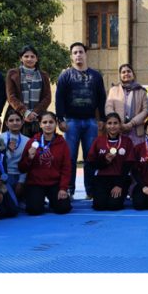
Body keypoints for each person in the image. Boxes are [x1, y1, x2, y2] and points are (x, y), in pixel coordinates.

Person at [55, 42, 106, 199]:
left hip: (91, 122)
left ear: (85, 54)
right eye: (75, 52)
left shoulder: (96, 76)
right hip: (71, 122)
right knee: (70, 157)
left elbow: (101, 99)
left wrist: (102, 119)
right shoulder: (65, 75)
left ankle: (90, 191)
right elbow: (59, 99)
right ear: (72, 56)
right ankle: (69, 190)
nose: (78, 55)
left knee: (90, 157)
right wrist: (60, 119)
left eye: (81, 52)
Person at [18, 112, 72, 216]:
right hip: (36, 183)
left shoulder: (62, 143)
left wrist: (63, 188)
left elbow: (66, 168)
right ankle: (38, 199)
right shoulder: (32, 142)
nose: (48, 125)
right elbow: (22, 168)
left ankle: (53, 201)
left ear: (56, 124)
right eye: (45, 122)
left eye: (51, 122)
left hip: (54, 183)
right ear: (40, 125)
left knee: (63, 208)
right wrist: (29, 158)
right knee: (34, 211)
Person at [86, 113, 135, 211]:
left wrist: (119, 185)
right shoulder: (98, 141)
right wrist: (105, 161)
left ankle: (119, 196)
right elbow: (91, 163)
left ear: (120, 125)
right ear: (105, 125)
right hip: (102, 178)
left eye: (115, 123)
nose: (112, 126)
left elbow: (128, 165)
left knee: (114, 206)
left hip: (119, 178)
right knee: (99, 206)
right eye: (109, 123)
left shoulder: (127, 141)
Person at [5, 45, 52, 137]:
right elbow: (11, 97)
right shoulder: (12, 73)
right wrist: (25, 112)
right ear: (21, 58)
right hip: (16, 116)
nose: (29, 59)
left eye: (32, 56)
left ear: (36, 59)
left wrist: (34, 113)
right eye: (26, 56)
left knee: (36, 147)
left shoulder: (43, 75)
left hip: (37, 118)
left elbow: (47, 97)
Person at [105, 64, 148, 146]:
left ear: (133, 74)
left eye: (129, 71)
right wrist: (117, 123)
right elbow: (108, 107)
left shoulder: (141, 91)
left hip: (136, 130)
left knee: (136, 156)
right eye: (123, 72)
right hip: (118, 129)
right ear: (120, 75)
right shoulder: (114, 90)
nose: (126, 74)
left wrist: (131, 123)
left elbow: (146, 110)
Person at [0, 110, 29, 205]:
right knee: (13, 204)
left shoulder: (28, 140)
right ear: (6, 123)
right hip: (5, 176)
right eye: (11, 120)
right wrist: (9, 152)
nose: (15, 123)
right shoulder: (0, 138)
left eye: (17, 120)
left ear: (22, 121)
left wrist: (21, 182)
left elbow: (27, 163)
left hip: (21, 175)